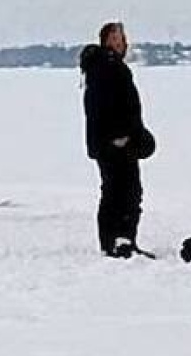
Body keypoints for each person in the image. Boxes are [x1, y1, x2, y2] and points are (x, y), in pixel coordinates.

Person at [81, 22, 155, 259]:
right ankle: (120, 241)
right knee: (124, 192)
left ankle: (116, 241)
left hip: (112, 140)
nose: (121, 42)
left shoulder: (107, 67)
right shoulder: (108, 67)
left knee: (119, 191)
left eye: (122, 37)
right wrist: (118, 135)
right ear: (106, 41)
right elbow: (105, 106)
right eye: (116, 38)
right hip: (115, 142)